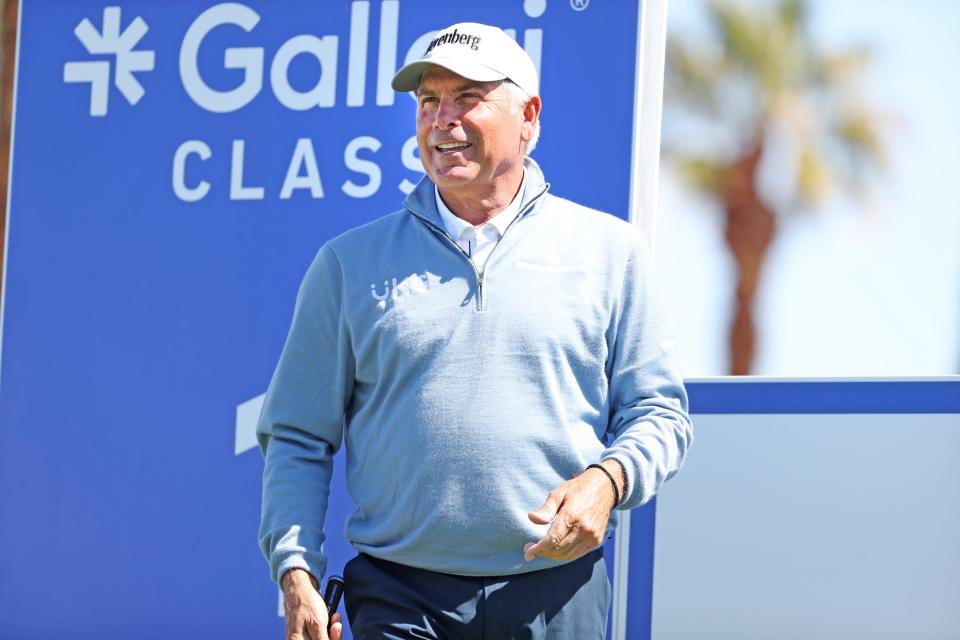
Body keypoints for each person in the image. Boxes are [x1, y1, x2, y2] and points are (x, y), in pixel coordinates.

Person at [257, 21, 692, 640]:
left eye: (467, 97)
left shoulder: (610, 252)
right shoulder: (347, 264)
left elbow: (661, 414)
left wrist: (608, 480)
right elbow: (298, 434)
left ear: (529, 117)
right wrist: (296, 571)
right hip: (398, 593)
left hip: (558, 593)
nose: (442, 120)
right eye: (428, 101)